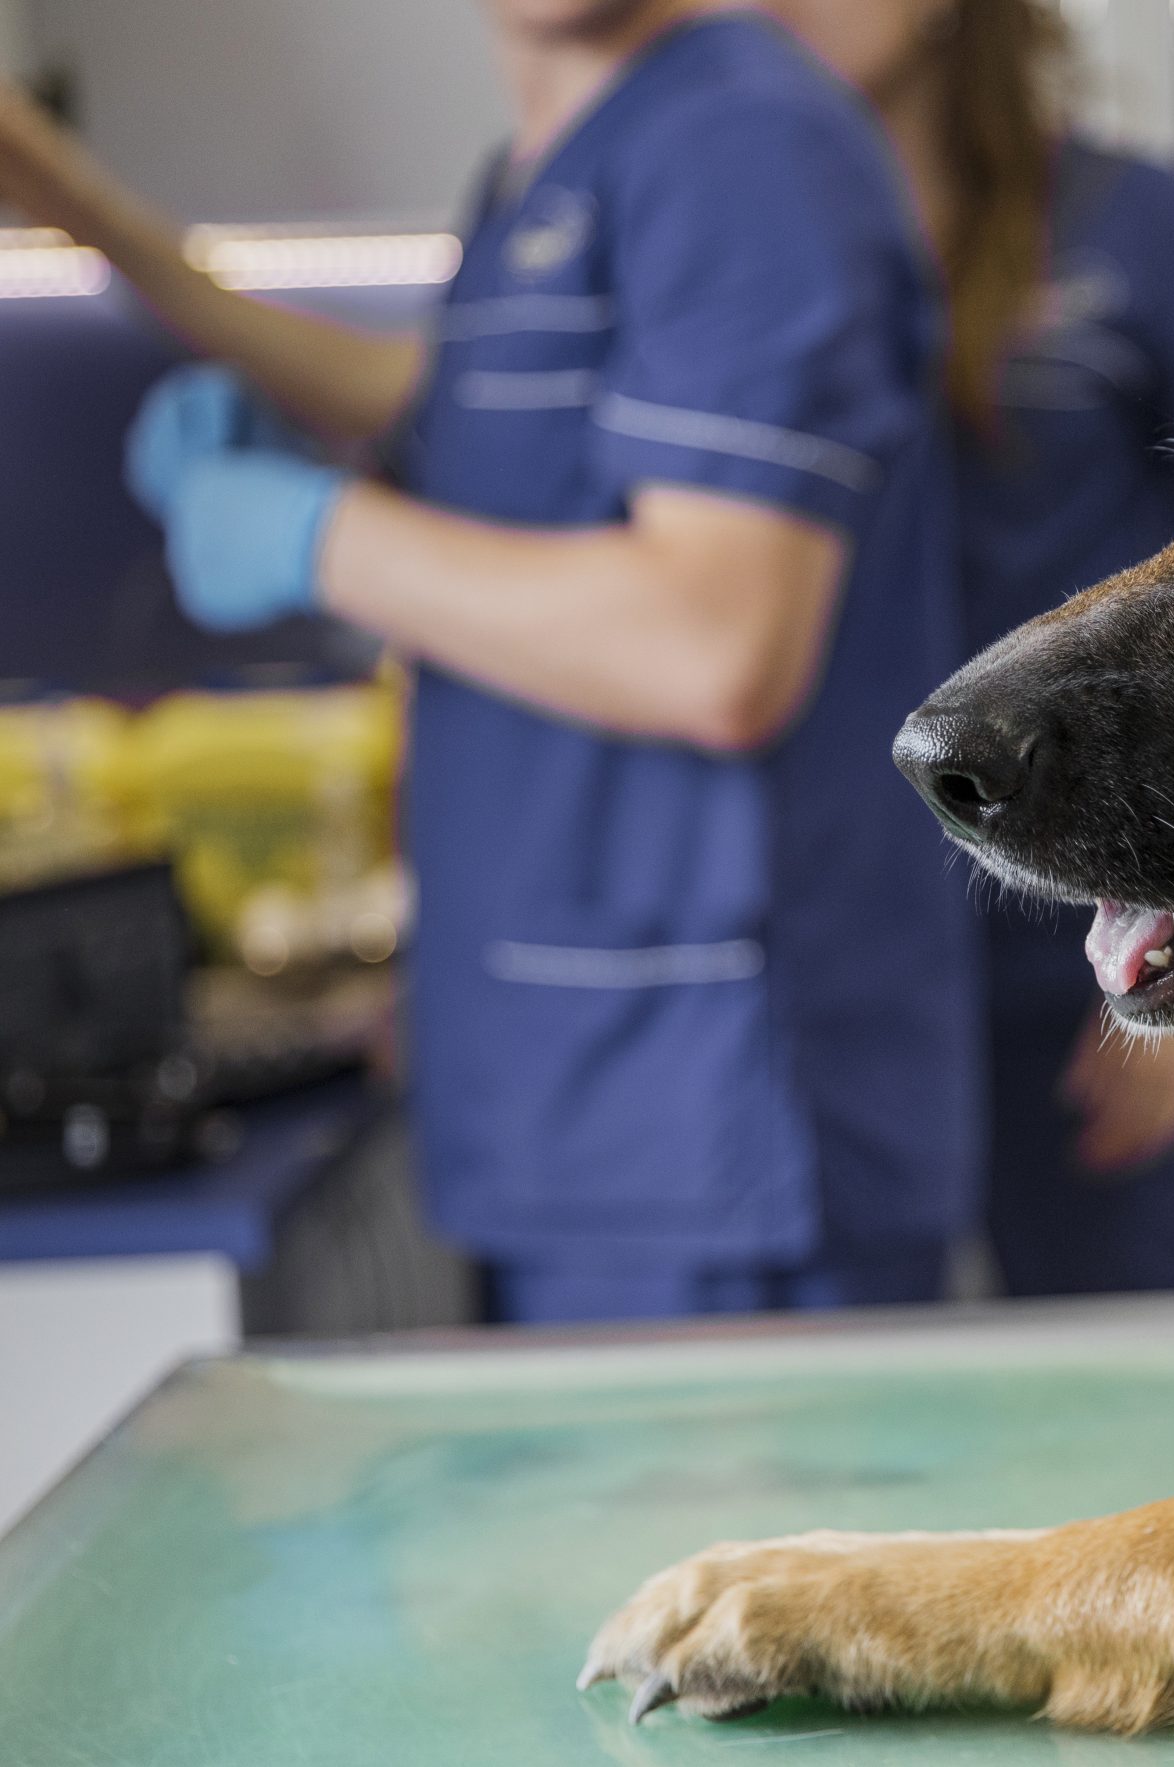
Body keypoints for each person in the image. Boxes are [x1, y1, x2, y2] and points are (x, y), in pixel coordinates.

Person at [0, 0, 984, 1320]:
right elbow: (436, 397)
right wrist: (83, 211)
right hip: (584, 1105)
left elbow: (719, 645)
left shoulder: (745, 147)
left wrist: (315, 535)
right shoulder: (548, 165)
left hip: (706, 1118)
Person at [766, 0, 1174, 1295]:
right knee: (860, 1429)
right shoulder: (736, 242)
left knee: (1111, 1393)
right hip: (828, 951)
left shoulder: (1125, 217)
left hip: (1091, 920)